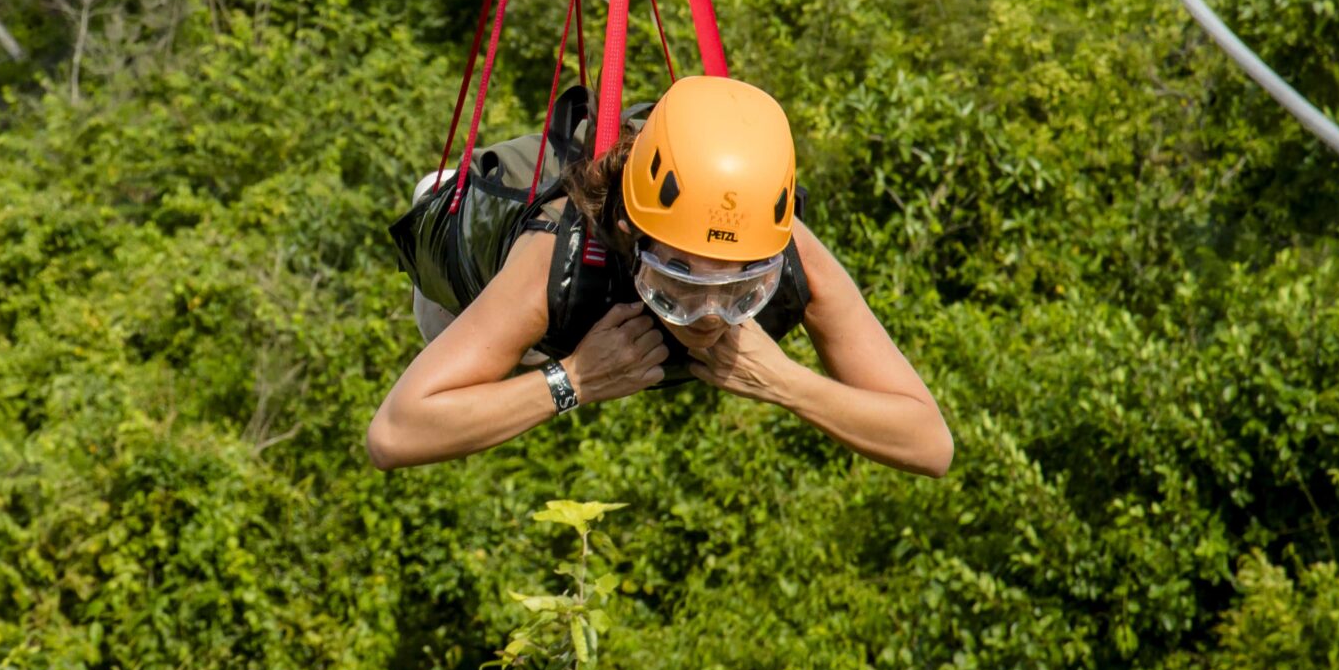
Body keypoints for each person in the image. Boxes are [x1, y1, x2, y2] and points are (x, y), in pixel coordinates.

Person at [367, 76, 953, 477]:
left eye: (738, 292)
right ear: (632, 234)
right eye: (680, 284)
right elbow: (395, 433)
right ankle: (449, 193)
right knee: (475, 341)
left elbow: (929, 442)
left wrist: (785, 383)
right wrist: (573, 379)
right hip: (511, 285)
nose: (706, 316)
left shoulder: (789, 250)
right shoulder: (555, 258)